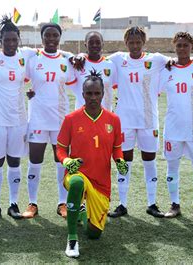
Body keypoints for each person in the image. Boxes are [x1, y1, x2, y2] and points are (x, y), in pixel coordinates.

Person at [56, 70, 128, 258]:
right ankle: (72, 239)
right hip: (76, 174)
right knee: (77, 183)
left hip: (101, 183)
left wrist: (120, 160)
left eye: (97, 93)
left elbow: (117, 149)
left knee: (94, 234)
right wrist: (67, 161)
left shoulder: (114, 120)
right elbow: (60, 149)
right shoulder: (71, 119)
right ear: (83, 95)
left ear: (103, 94)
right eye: (89, 93)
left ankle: (81, 211)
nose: (93, 97)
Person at [106, 27, 169, 218]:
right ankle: (122, 204)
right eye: (131, 42)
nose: (134, 46)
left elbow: (180, 62)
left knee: (149, 161)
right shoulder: (118, 59)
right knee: (124, 161)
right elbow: (98, 62)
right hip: (124, 120)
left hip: (148, 120)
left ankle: (152, 203)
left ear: (144, 42)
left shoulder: (156, 59)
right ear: (126, 43)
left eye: (138, 42)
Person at [22, 23, 77, 219]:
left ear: (60, 38)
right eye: (48, 36)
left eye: (55, 35)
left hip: (60, 119)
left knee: (61, 161)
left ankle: (62, 203)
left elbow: (77, 86)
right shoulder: (32, 59)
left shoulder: (67, 61)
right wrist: (29, 93)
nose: (51, 39)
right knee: (35, 160)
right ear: (42, 37)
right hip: (37, 118)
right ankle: (32, 203)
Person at [0, 16, 32, 220]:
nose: (11, 44)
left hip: (18, 119)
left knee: (14, 162)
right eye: (7, 40)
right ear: (0, 41)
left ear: (19, 39)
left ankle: (13, 203)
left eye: (14, 40)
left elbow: (51, 54)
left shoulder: (26, 56)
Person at [158, 32, 193, 219]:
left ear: (192, 47)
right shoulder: (167, 70)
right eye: (179, 45)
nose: (182, 49)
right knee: (172, 167)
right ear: (174, 47)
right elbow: (154, 92)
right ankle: (174, 205)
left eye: (185, 45)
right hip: (173, 127)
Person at [71, 31, 117, 111]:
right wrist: (79, 55)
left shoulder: (110, 65)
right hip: (82, 116)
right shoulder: (78, 64)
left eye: (98, 42)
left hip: (105, 115)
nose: (94, 45)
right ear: (85, 44)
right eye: (91, 42)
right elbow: (60, 54)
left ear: (102, 44)